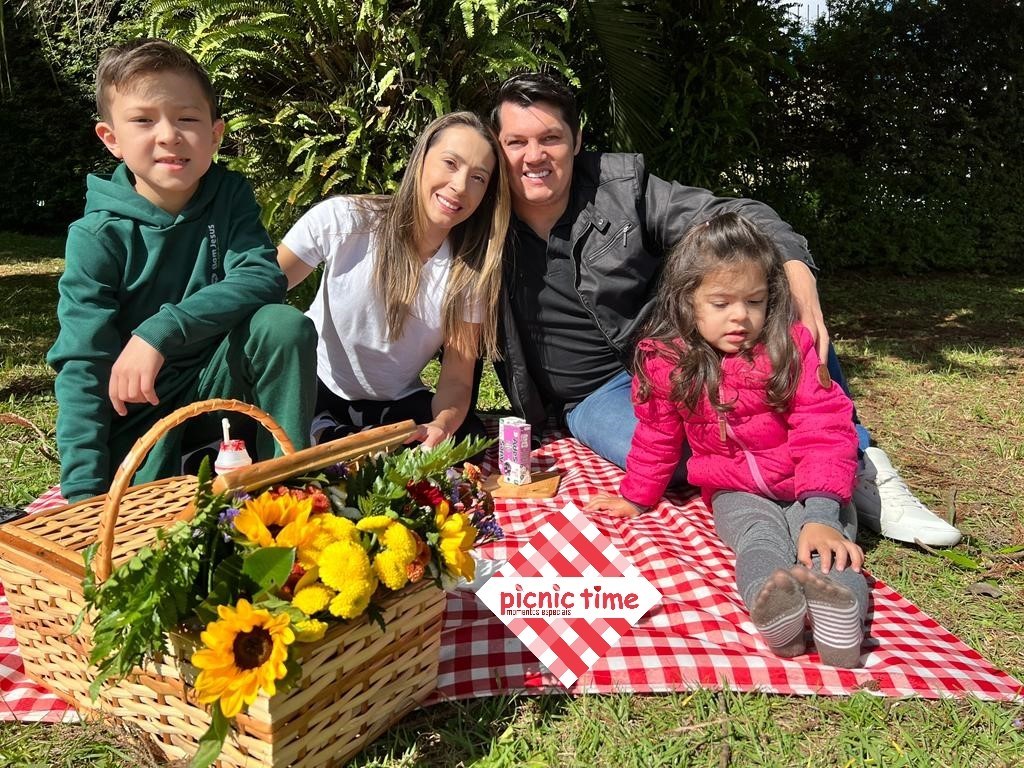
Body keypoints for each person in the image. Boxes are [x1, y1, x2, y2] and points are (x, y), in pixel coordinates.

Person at [490, 72, 961, 547]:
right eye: (517, 141)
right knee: (675, 459)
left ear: (576, 141)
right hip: (591, 392)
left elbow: (736, 217)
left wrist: (797, 267)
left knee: (786, 316)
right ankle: (800, 466)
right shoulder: (481, 218)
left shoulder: (621, 190)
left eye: (550, 138)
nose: (534, 156)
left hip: (676, 359)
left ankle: (858, 462)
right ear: (498, 145)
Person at [587, 212, 868, 668]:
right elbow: (657, 434)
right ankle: (776, 610)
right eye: (721, 303)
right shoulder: (666, 362)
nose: (740, 316)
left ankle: (841, 616)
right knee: (756, 544)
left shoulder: (789, 347)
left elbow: (824, 428)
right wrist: (636, 497)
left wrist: (821, 513)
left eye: (754, 302)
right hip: (734, 489)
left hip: (808, 484)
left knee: (828, 549)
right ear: (688, 302)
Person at [47, 38, 317, 503]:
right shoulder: (96, 236)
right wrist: (84, 498)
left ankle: (284, 485)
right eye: (144, 120)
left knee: (283, 325)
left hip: (222, 394)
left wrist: (159, 331)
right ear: (111, 139)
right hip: (141, 427)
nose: (169, 134)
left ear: (215, 134)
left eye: (187, 119)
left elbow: (262, 276)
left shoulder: (229, 195)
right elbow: (83, 366)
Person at [276, 112, 509, 449]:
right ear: (421, 159)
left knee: (464, 437)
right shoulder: (346, 220)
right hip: (316, 387)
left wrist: (441, 425)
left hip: (394, 405)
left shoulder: (469, 273)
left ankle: (338, 441)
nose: (459, 186)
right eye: (449, 163)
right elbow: (263, 287)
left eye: (478, 178)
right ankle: (326, 434)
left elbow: (458, 379)